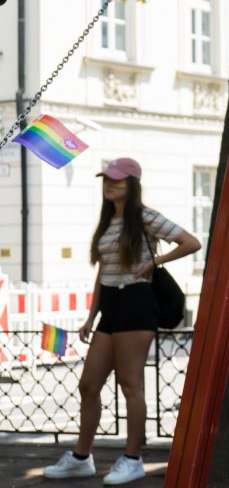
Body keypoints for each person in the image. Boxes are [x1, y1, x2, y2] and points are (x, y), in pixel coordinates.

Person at [43, 157, 201, 485]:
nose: (110, 185)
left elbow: (191, 242)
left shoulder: (144, 217)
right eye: (106, 180)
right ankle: (81, 458)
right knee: (89, 384)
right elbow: (103, 272)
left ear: (132, 184)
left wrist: (154, 262)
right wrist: (91, 315)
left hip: (137, 302)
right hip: (111, 306)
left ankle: (133, 459)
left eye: (117, 180)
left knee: (131, 386)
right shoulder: (107, 222)